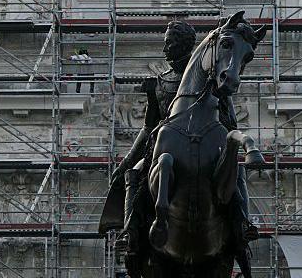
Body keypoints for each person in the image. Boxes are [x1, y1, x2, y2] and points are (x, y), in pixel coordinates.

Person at [101, 21, 259, 275]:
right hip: (163, 144)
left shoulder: (212, 79)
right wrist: (127, 160)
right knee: (135, 174)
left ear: (185, 45)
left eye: (170, 43)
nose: (165, 49)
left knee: (236, 170)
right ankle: (130, 234)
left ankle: (242, 227)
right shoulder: (158, 83)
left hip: (205, 147)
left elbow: (230, 123)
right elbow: (148, 127)